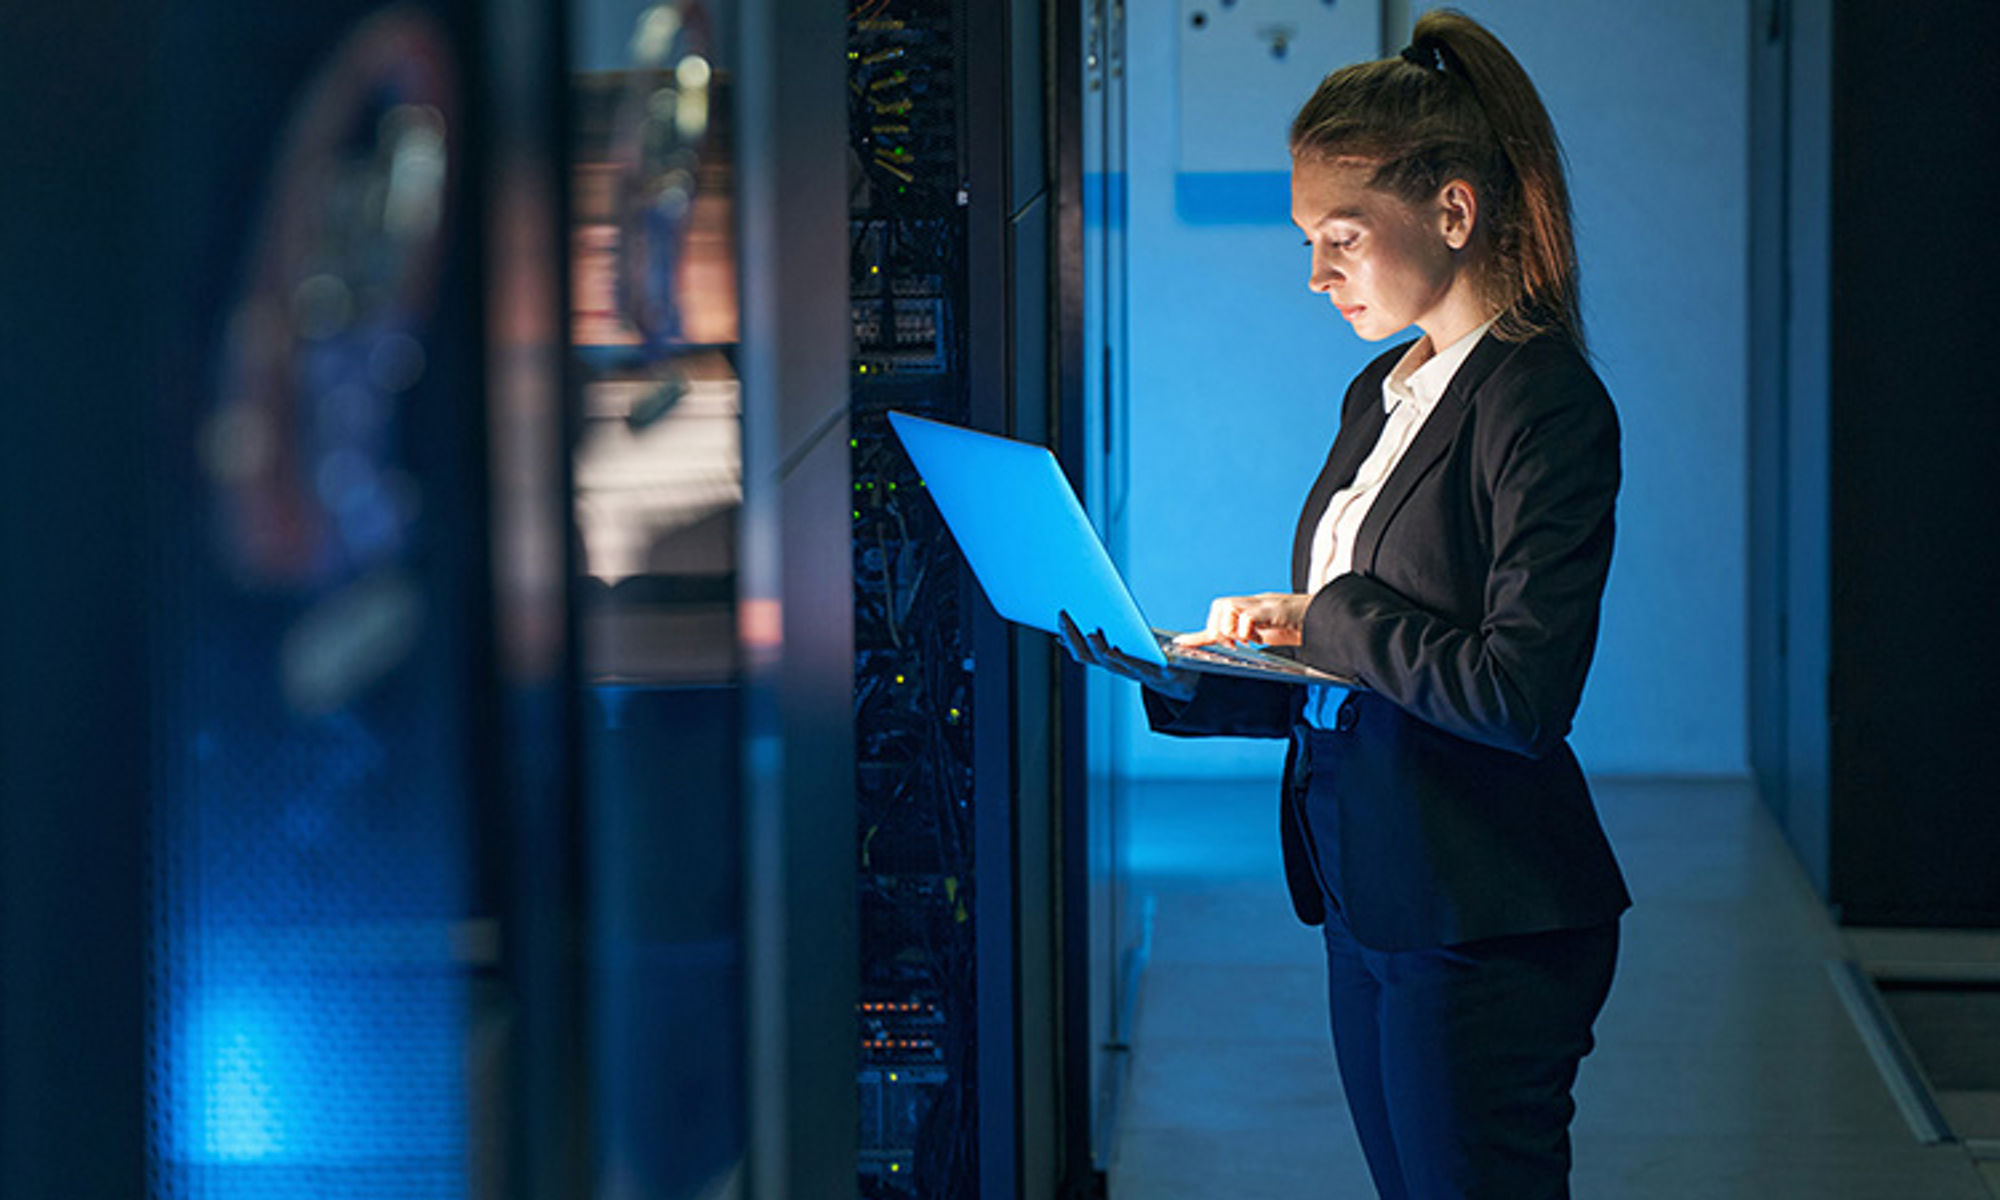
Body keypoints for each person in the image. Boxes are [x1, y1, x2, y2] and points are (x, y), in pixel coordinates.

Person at [1058, 10, 1629, 1199]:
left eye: (1340, 238)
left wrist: (1324, 614)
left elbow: (1518, 693)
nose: (1314, 275)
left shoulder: (1543, 406)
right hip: (1370, 881)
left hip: (1479, 912)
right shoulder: (1385, 385)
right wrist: (1185, 669)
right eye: (1305, 240)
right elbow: (1367, 671)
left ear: (1454, 213)